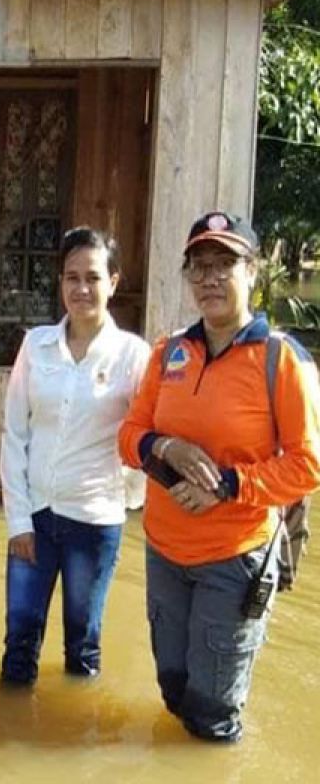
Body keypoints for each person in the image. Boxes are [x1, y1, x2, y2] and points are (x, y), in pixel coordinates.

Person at [119, 211, 320, 743]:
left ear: (252, 272)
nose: (210, 278)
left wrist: (227, 486)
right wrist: (166, 445)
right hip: (164, 553)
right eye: (199, 266)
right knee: (173, 687)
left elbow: (306, 466)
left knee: (212, 713)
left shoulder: (281, 360)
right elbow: (129, 436)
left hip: (234, 559)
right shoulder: (169, 353)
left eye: (224, 264)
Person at [0, 227, 151, 686]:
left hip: (95, 523)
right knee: (19, 641)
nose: (81, 289)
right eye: (71, 277)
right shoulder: (36, 344)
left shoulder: (132, 355)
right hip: (36, 519)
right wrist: (18, 522)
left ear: (114, 282)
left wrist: (122, 502)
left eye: (93, 277)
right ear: (60, 282)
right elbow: (14, 433)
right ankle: (7, 739)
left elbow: (145, 436)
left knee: (82, 643)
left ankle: (71, 742)